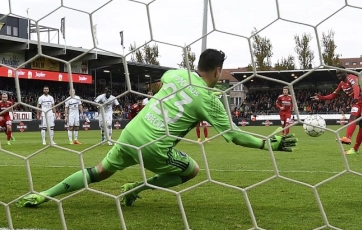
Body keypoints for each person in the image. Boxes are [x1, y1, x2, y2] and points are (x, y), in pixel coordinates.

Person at [16, 49, 298, 208]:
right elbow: (233, 135)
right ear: (216, 71)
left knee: (98, 172)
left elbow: (164, 78)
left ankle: (44, 195)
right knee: (192, 171)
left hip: (130, 134)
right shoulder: (209, 100)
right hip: (154, 146)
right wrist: (267, 143)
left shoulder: (175, 74)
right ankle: (135, 189)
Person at [312, 66, 362, 154]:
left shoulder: (352, 77)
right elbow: (333, 95)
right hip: (357, 102)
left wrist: (356, 97)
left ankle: (355, 149)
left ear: (345, 72)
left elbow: (356, 87)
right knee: (352, 116)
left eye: (340, 73)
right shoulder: (341, 84)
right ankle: (347, 138)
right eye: (337, 74)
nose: (338, 75)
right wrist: (321, 98)